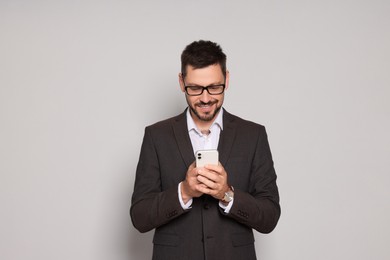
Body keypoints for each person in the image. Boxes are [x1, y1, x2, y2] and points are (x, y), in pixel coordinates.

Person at [130, 40, 280, 260]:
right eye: (195, 88)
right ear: (182, 82)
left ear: (227, 79)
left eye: (215, 87)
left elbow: (269, 217)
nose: (206, 98)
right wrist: (184, 191)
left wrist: (227, 194)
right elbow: (140, 217)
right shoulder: (156, 136)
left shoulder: (253, 135)